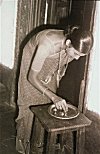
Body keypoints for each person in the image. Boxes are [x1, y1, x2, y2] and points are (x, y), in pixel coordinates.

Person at [15, 26, 93, 154]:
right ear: (68, 43)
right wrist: (54, 97)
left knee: (46, 101)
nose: (77, 58)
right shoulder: (47, 44)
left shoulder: (72, 47)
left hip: (52, 57)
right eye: (76, 54)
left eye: (81, 56)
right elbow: (31, 77)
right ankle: (23, 142)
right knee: (29, 99)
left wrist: (51, 74)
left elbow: (63, 61)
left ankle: (38, 143)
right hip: (32, 56)